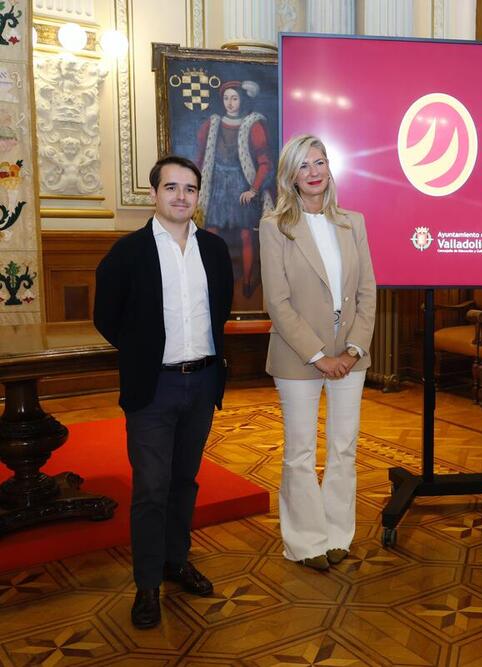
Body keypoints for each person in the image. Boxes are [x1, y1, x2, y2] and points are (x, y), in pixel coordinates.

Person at [94, 155, 234, 629]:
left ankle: (177, 561)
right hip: (154, 386)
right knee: (151, 489)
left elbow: (221, 309)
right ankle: (147, 584)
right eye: (171, 187)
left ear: (198, 196)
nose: (181, 196)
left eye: (190, 189)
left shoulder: (214, 250)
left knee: (184, 482)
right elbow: (106, 317)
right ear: (153, 194)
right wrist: (141, 351)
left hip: (202, 383)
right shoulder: (128, 252)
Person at [260, 134, 376, 571]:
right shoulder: (275, 226)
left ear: (330, 168)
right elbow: (278, 302)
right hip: (297, 358)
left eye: (321, 162)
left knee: (344, 448)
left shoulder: (353, 222)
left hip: (351, 356)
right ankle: (306, 541)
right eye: (304, 164)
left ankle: (337, 534)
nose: (314, 172)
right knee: (301, 451)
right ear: (290, 174)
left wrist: (352, 349)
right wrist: (318, 355)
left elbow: (368, 291)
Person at [196, 80, 273, 298]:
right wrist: (197, 187)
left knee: (247, 235)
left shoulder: (253, 124)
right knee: (210, 234)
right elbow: (201, 158)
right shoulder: (211, 125)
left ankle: (248, 282)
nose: (230, 103)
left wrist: (254, 189)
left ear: (242, 99)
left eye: (235, 98)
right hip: (216, 185)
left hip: (242, 185)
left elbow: (265, 163)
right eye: (226, 98)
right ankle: (212, 283)